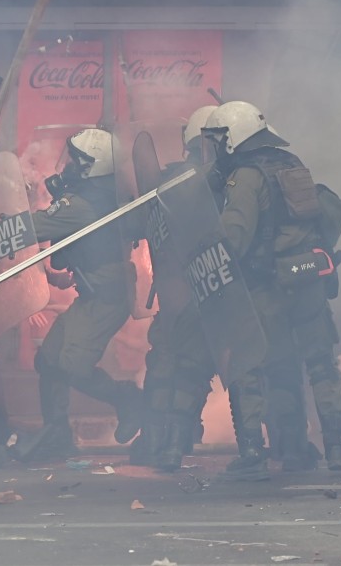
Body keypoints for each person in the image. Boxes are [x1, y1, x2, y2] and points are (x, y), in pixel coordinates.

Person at [202, 101, 341, 478]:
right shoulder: (292, 164)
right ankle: (336, 450)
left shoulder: (246, 177)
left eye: (219, 141)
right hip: (309, 279)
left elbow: (234, 237)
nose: (216, 149)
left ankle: (253, 453)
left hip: (267, 284)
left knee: (250, 364)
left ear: (233, 140)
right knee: (319, 365)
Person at [12, 128, 141, 462]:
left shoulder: (82, 204)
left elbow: (32, 228)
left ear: (90, 167)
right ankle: (56, 435)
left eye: (76, 160)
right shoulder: (98, 195)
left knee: (71, 367)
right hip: (93, 294)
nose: (68, 165)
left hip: (104, 298)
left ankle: (127, 398)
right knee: (49, 360)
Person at [135, 106, 219, 471]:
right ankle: (172, 444)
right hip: (200, 289)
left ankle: (152, 441)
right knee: (191, 367)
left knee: (164, 363)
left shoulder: (165, 181)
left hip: (170, 292)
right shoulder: (208, 184)